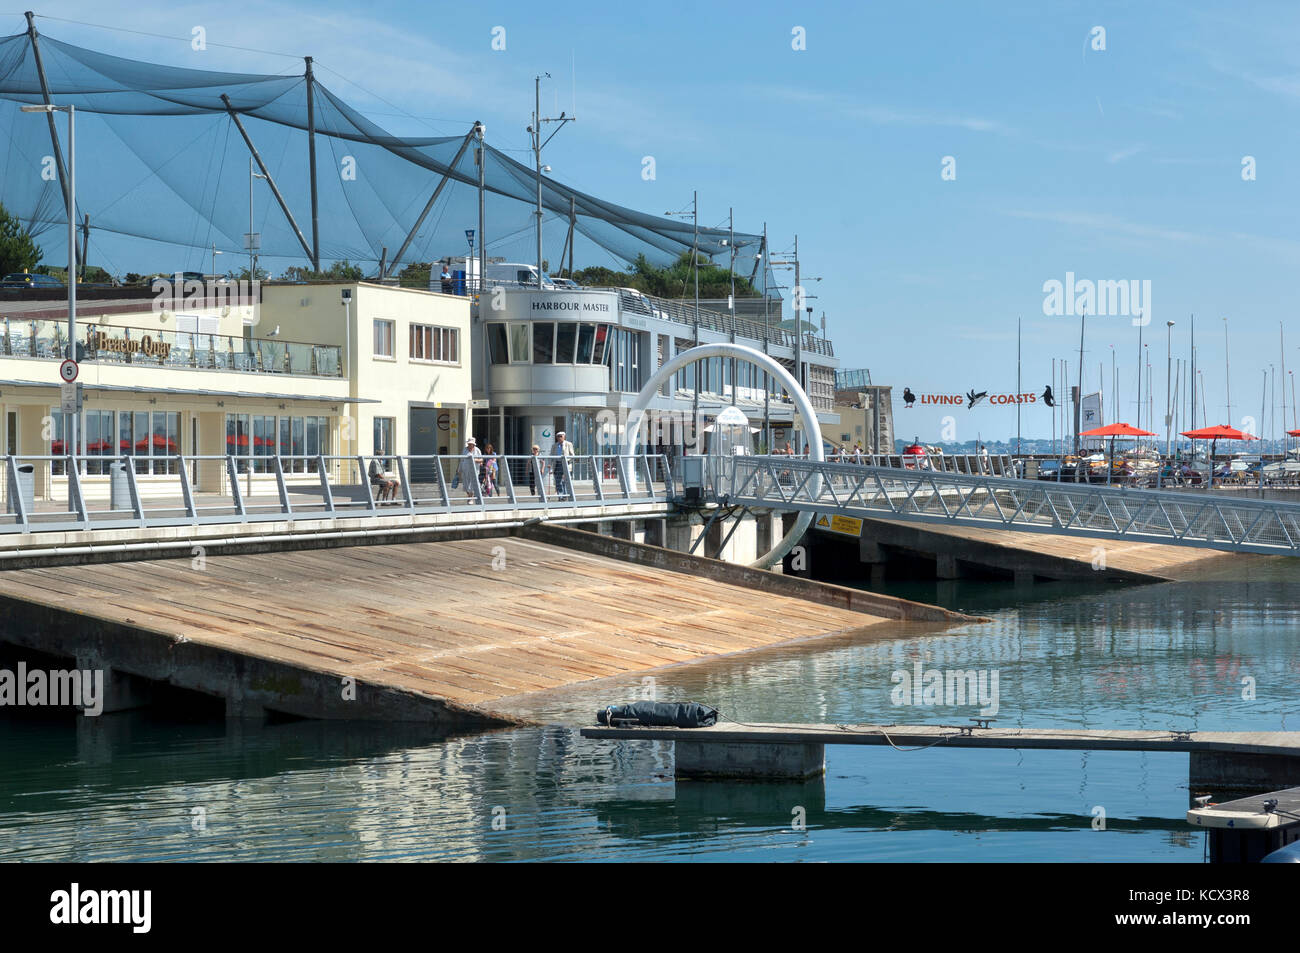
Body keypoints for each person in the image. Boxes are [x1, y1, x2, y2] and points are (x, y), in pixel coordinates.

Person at [551, 430, 574, 499]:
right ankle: (560, 496)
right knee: (558, 481)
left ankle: (565, 495)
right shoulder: (554, 445)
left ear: (564, 437)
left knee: (565, 481)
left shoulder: (568, 444)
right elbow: (551, 455)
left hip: (565, 464)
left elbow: (572, 455)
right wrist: (550, 464)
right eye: (558, 436)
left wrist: (566, 460)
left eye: (561, 436)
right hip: (557, 464)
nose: (559, 438)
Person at [457, 437, 481, 502]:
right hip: (465, 470)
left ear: (474, 444)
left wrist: (475, 460)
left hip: (474, 470)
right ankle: (469, 496)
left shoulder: (477, 450)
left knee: (472, 484)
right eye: (469, 444)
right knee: (466, 484)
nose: (470, 445)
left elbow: (481, 460)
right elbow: (461, 460)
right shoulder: (464, 450)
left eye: (471, 444)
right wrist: (459, 469)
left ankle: (470, 498)